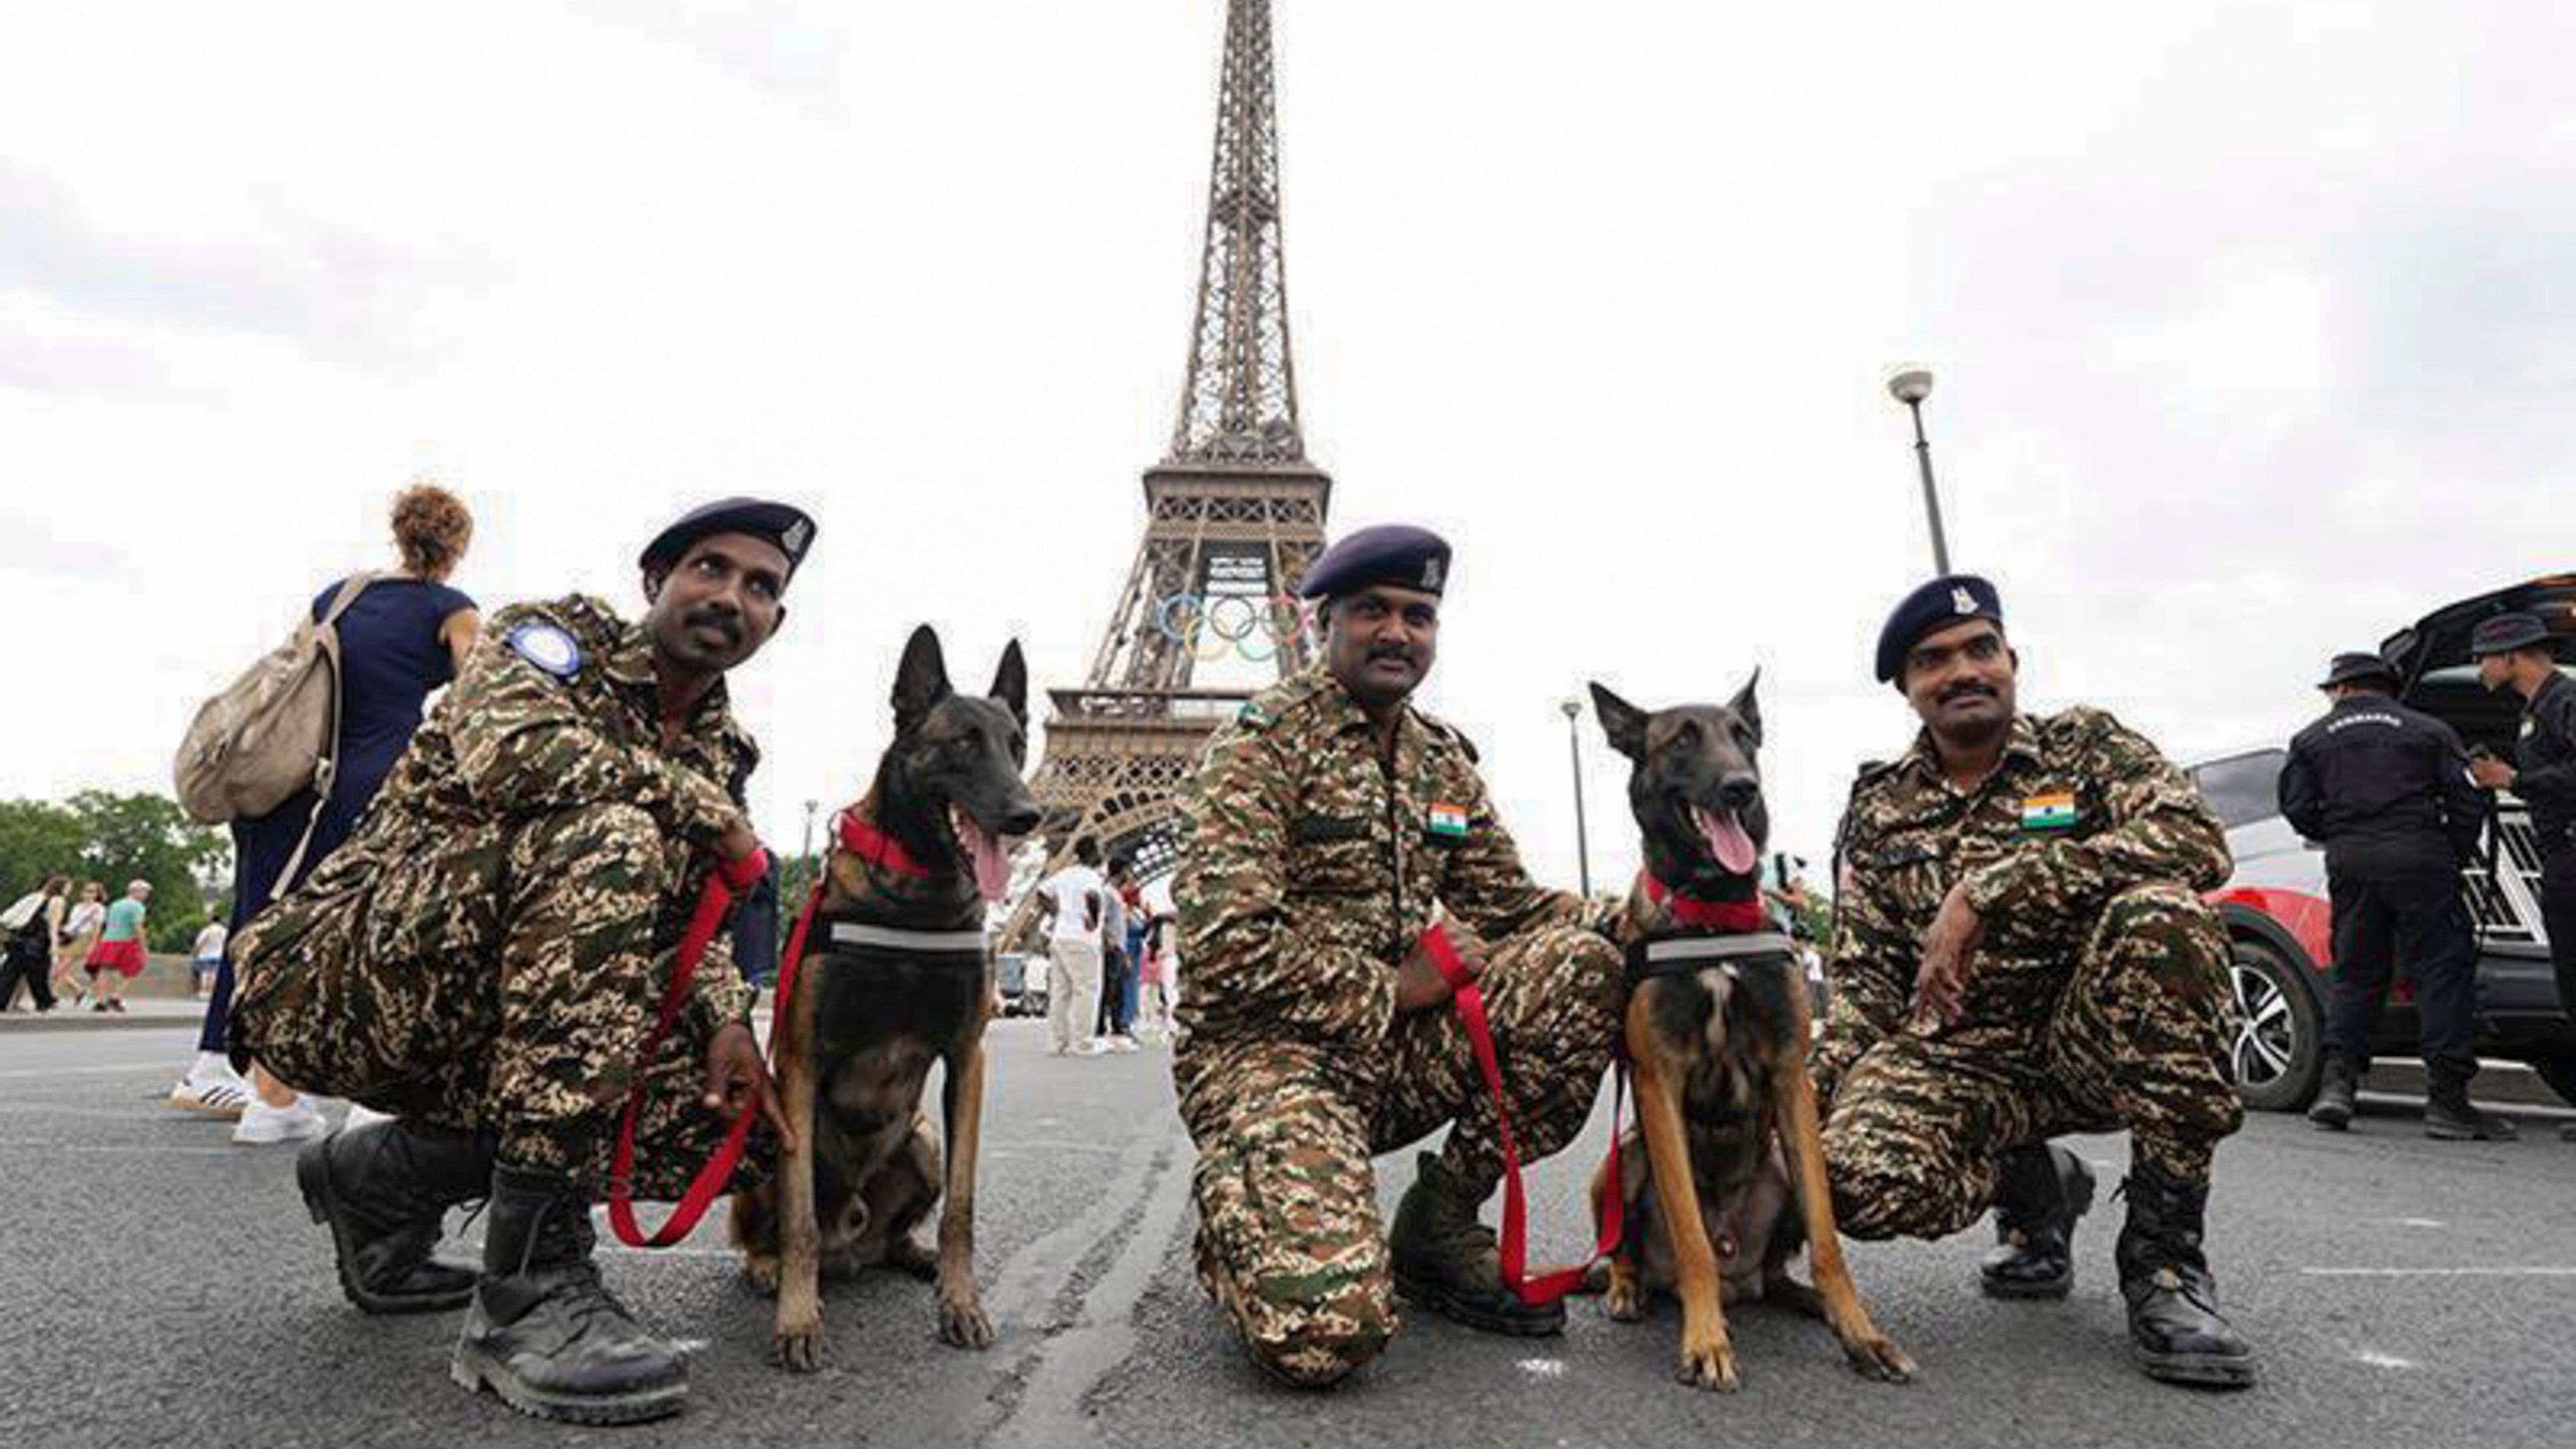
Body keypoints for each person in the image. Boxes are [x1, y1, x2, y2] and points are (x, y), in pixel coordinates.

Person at [228, 497, 813, 1425]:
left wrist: (729, 1018)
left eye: (760, 587)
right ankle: (526, 1287)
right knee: (612, 841)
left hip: (496, 1004)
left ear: (775, 623)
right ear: (654, 580)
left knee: (724, 1121)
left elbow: (683, 911)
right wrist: (707, 814)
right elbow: (517, 757)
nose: (730, 595)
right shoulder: (547, 639)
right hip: (337, 973)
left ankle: (381, 1179)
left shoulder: (721, 745)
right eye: (709, 566)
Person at [1173, 523, 1623, 1387]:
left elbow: (1518, 909)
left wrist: (1652, 914)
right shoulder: (1258, 747)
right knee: (1322, 1332)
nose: (1396, 631)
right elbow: (1223, 947)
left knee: (1577, 962)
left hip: (1395, 1056)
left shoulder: (1441, 760)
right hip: (1266, 1056)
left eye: (1418, 614)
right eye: (1372, 609)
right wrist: (1395, 985)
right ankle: (1244, 1211)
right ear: (1322, 621)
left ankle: (1438, 1223)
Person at [1818, 575, 2254, 1387]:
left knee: (2165, 918)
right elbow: (1866, 978)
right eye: (1933, 660)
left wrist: (1996, 885)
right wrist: (1789, 1103)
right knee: (1853, 1181)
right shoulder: (1880, 806)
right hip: (1963, 1061)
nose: (1963, 671)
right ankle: (2035, 1188)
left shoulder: (2085, 748)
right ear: (1907, 689)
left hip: (2092, 1038)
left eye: (1981, 649)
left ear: (2011, 659)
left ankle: (2165, 1264)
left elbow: (2196, 842)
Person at [176, 484, 484, 1139]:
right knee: (377, 934)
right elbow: (482, 696)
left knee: (273, 931)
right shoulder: (453, 609)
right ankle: (370, 1103)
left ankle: (270, 1101)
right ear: (456, 546)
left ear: (400, 534)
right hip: (382, 781)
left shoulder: (339, 594)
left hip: (294, 780)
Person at [2279, 651, 2509, 1138]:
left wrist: (2342, 835)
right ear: (2389, 687)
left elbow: (2296, 807)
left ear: (2340, 689)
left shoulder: (2310, 738)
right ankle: (2447, 1103)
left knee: (2356, 973)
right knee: (2441, 974)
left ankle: (2337, 1088)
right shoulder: (2429, 730)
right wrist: (2451, 852)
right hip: (2421, 857)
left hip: (2350, 860)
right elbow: (2467, 799)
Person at [2466, 610, 2576, 1145]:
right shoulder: (2538, 710)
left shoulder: (2564, 700)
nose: (2477, 666)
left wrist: (2513, 778)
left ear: (2511, 656)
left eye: (2482, 656)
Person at [1036, 837, 1107, 1056]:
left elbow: (1041, 893)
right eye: (1100, 850)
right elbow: (1092, 895)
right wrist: (1093, 920)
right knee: (1086, 991)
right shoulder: (1091, 876)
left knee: (1060, 993)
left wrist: (1057, 913)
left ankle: (1057, 1044)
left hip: (1060, 937)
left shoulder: (1065, 874)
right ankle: (1083, 1044)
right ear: (1093, 854)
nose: (1102, 854)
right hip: (1083, 940)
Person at [0, 875, 70, 1012]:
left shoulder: (35, 897)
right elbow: (53, 926)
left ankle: (2, 1000)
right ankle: (44, 1002)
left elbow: (8, 916)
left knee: (10, 972)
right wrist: (54, 946)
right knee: (39, 973)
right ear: (62, 888)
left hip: (19, 940)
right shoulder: (58, 901)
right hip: (37, 943)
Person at [81, 880, 152, 1013]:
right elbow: (137, 926)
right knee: (136, 967)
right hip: (126, 941)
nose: (146, 895)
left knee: (104, 970)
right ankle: (116, 996)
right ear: (135, 891)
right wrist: (144, 947)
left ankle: (100, 1001)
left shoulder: (116, 904)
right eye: (144, 892)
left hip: (108, 939)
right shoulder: (138, 907)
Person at [1095, 856, 1139, 1051]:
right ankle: (1102, 1029)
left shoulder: (1116, 894)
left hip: (1119, 949)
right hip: (1112, 949)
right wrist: (1109, 942)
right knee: (1109, 990)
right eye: (1127, 871)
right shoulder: (1107, 893)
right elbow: (1101, 919)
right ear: (1120, 871)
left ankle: (1116, 1028)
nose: (1129, 875)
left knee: (1117, 991)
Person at [51, 881, 104, 1006]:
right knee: (58, 969)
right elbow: (72, 923)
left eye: (92, 892)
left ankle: (53, 995)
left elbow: (97, 928)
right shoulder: (77, 907)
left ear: (97, 894)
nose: (88, 894)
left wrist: (92, 945)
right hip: (70, 937)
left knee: (61, 968)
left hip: (84, 938)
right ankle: (79, 990)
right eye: (87, 891)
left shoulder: (98, 908)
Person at [190, 920, 229, 1001]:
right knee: (215, 974)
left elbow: (199, 944)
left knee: (205, 973)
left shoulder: (206, 931)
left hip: (205, 956)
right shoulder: (224, 931)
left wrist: (194, 953)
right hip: (219, 956)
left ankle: (204, 992)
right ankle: (213, 993)